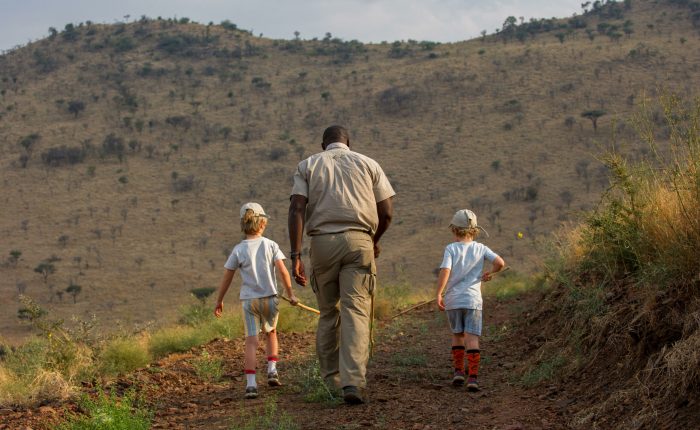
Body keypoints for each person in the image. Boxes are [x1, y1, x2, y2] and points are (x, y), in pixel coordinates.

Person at [288, 125, 395, 404]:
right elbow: (387, 212)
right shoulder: (369, 164)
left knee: (328, 313)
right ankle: (353, 382)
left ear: (324, 144)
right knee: (356, 312)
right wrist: (375, 239)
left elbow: (297, 208)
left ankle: (332, 380)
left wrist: (296, 255)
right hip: (360, 242)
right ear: (348, 142)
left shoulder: (308, 165)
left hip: (323, 243)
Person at [214, 202, 298, 399]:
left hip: (249, 302)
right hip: (271, 299)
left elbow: (227, 277)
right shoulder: (271, 245)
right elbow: (283, 271)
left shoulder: (238, 249)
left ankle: (251, 385)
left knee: (251, 342)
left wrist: (220, 300)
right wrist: (291, 294)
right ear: (262, 223)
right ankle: (272, 370)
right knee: (272, 333)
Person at [435, 209, 505, 391]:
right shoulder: (481, 248)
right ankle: (472, 378)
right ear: (474, 230)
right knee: (472, 339)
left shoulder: (450, 248)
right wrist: (491, 273)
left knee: (458, 336)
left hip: (453, 300)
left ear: (454, 230)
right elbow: (500, 263)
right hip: (473, 301)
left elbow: (445, 270)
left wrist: (439, 293)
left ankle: (458, 372)